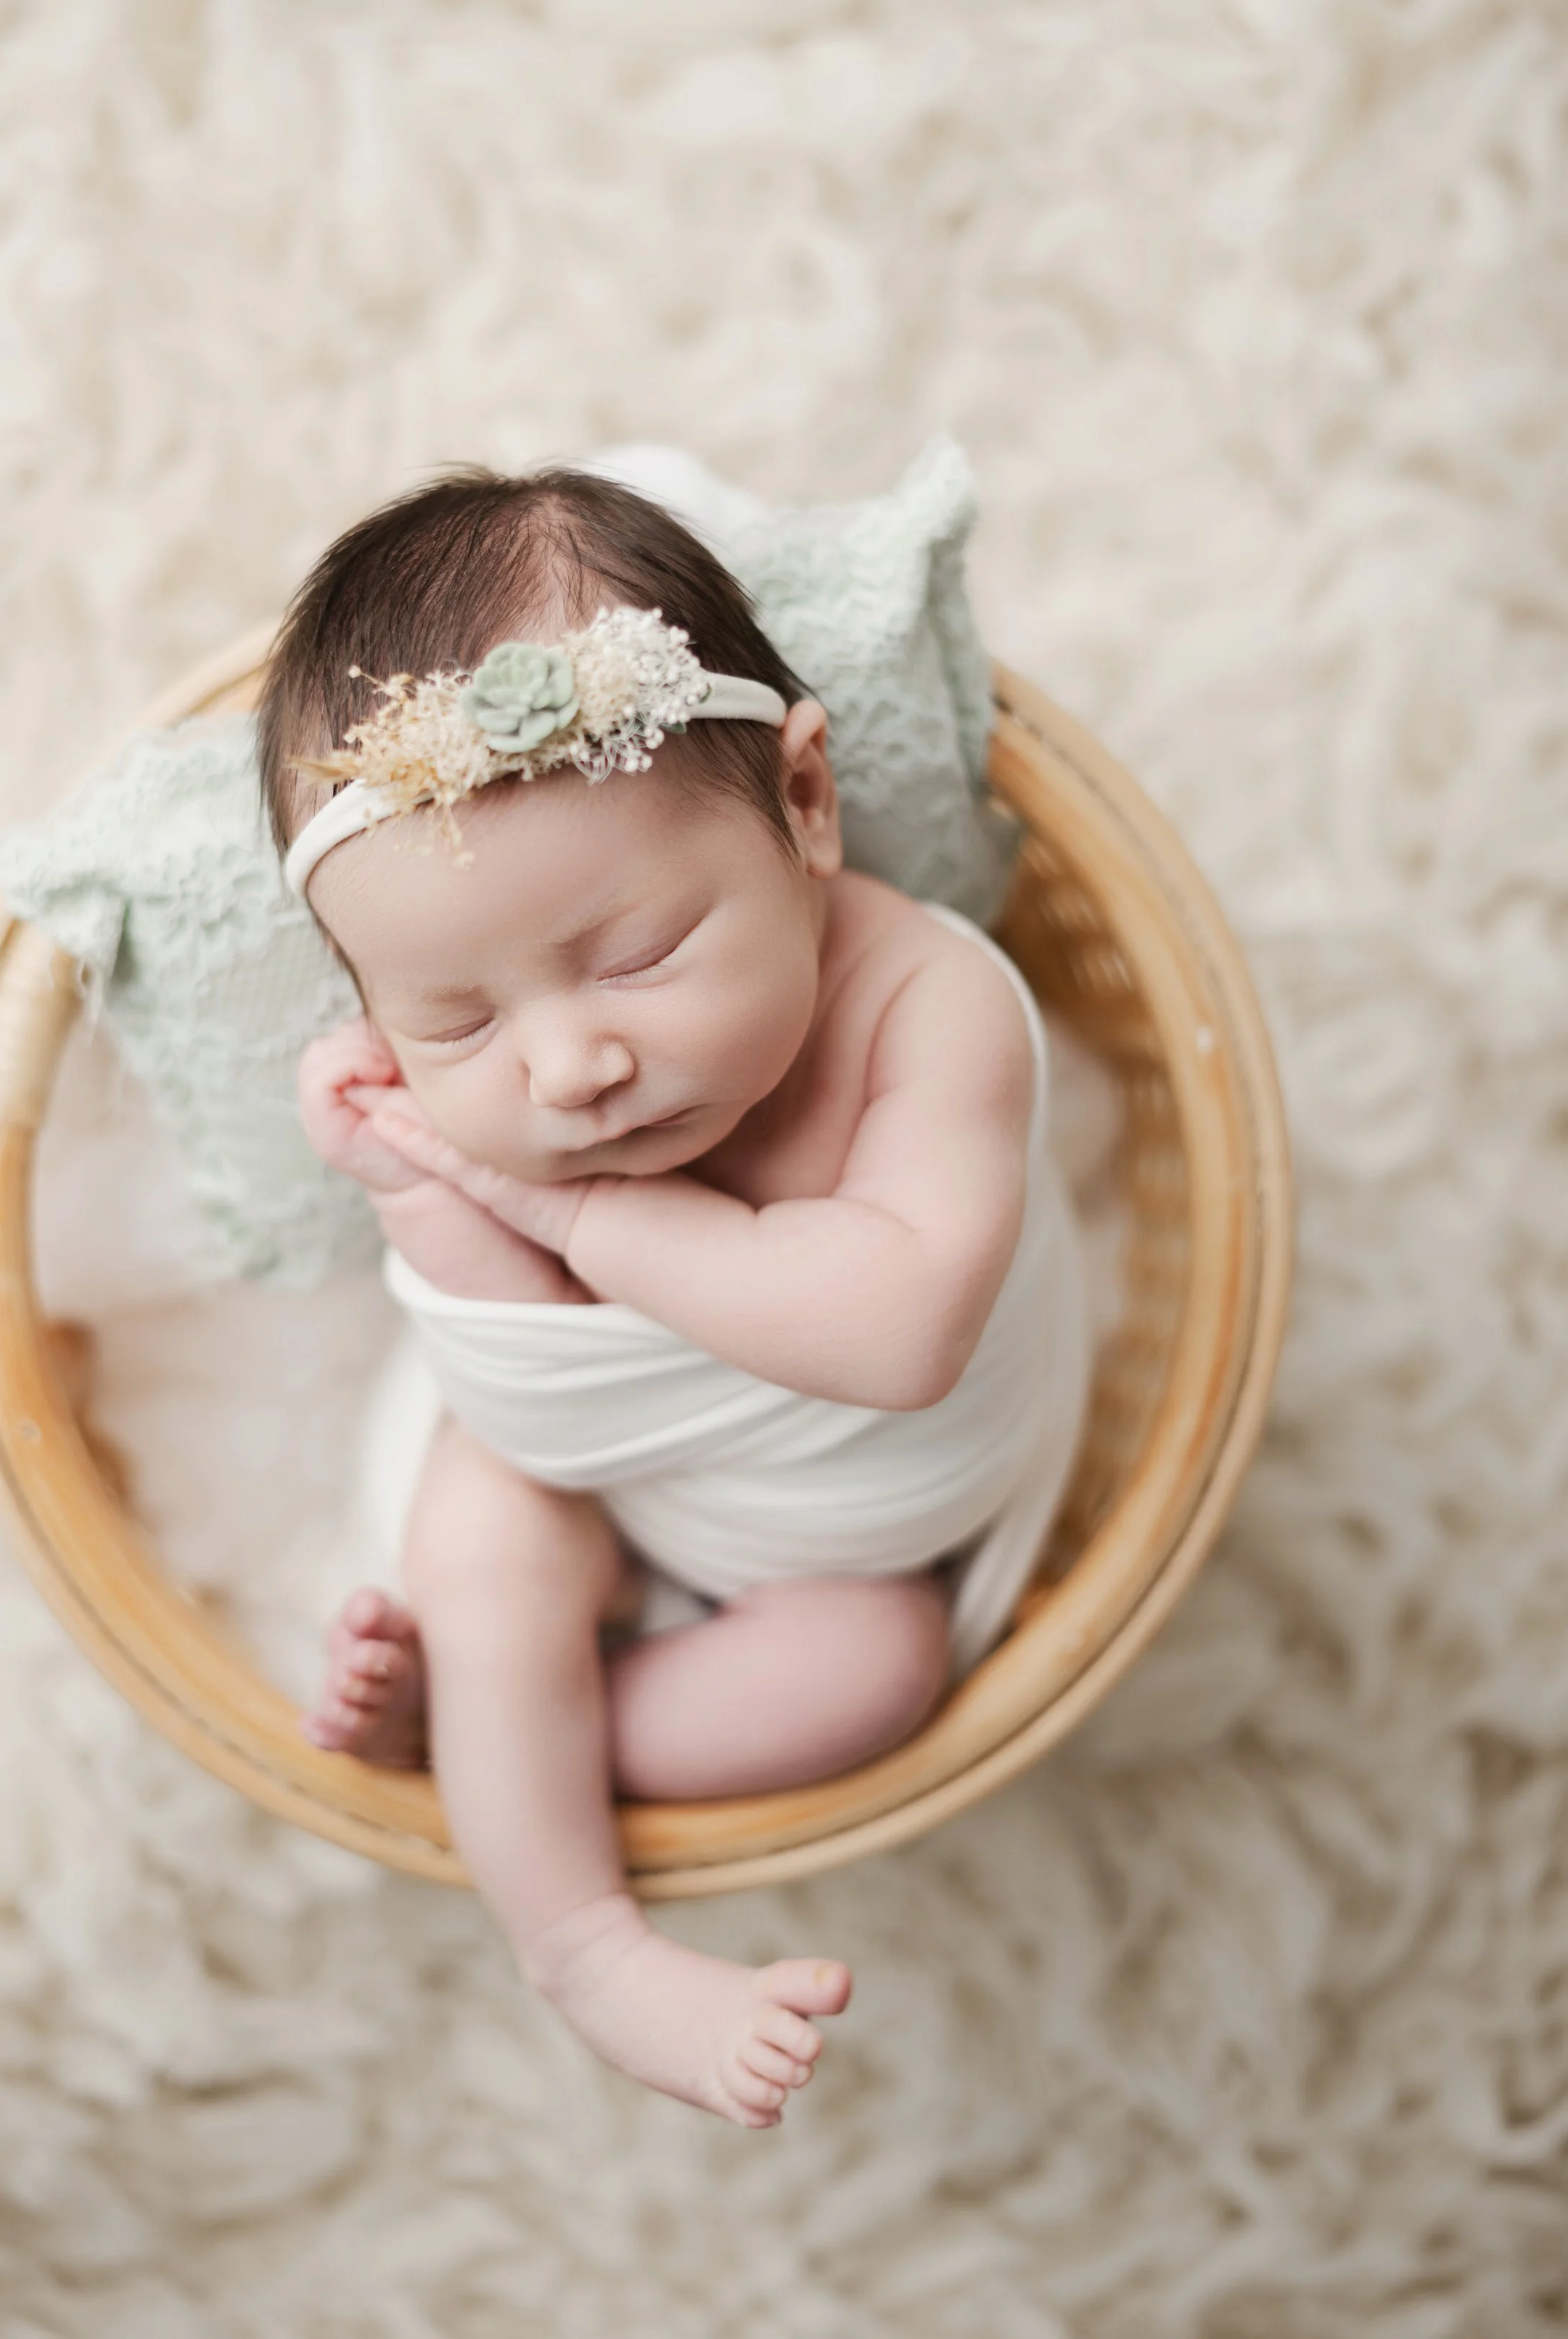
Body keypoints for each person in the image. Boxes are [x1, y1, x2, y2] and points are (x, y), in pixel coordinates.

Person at [258, 467, 1088, 2128]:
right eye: (457, 1024)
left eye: (635, 954)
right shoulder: (486, 1129)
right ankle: (577, 1938)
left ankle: (496, 1735)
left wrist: (557, 1206)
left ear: (802, 800)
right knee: (489, 1533)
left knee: (871, 1675)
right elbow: (520, 1365)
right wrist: (428, 1191)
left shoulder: (924, 1011)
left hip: (831, 1539)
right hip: (579, 1450)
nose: (572, 1066)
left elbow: (901, 1326)